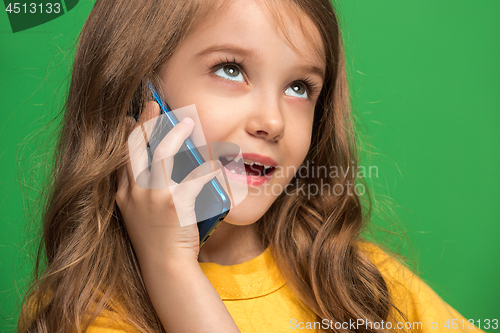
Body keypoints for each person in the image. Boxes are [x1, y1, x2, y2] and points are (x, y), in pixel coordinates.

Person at [17, 0, 486, 332]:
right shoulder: (83, 314)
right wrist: (171, 271)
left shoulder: (358, 283)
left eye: (300, 87)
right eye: (230, 69)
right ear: (139, 96)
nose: (272, 121)